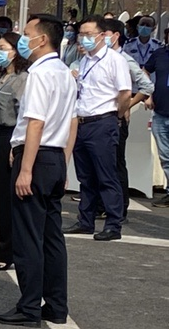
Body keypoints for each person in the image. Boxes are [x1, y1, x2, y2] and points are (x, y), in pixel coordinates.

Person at [0, 14, 77, 328]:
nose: (22, 39)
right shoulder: (65, 73)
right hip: (53, 157)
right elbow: (72, 121)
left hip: (38, 157)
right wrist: (63, 163)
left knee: (27, 236)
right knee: (51, 237)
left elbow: (36, 122)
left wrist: (26, 167)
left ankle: (28, 306)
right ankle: (55, 304)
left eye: (27, 34)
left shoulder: (40, 73)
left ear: (42, 39)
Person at [63, 15, 131, 241]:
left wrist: (117, 115)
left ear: (103, 35)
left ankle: (113, 223)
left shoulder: (114, 60)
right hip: (82, 122)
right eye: (81, 34)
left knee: (106, 175)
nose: (84, 39)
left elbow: (124, 93)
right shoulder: (85, 60)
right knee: (86, 176)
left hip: (103, 121)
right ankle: (86, 220)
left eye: (89, 34)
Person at [0, 32, 29, 270]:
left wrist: (16, 145)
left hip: (10, 136)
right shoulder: (3, 76)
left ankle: (9, 252)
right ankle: (3, 251)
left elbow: (23, 114)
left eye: (3, 48)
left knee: (6, 198)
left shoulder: (21, 79)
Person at [100, 18, 154, 221]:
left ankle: (120, 207)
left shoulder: (124, 59)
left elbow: (147, 86)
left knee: (115, 163)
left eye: (102, 34)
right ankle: (101, 204)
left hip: (116, 118)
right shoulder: (96, 58)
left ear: (115, 36)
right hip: (97, 118)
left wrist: (126, 106)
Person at [144, 41, 169, 206]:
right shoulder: (160, 54)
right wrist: (149, 93)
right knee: (165, 157)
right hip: (160, 112)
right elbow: (145, 70)